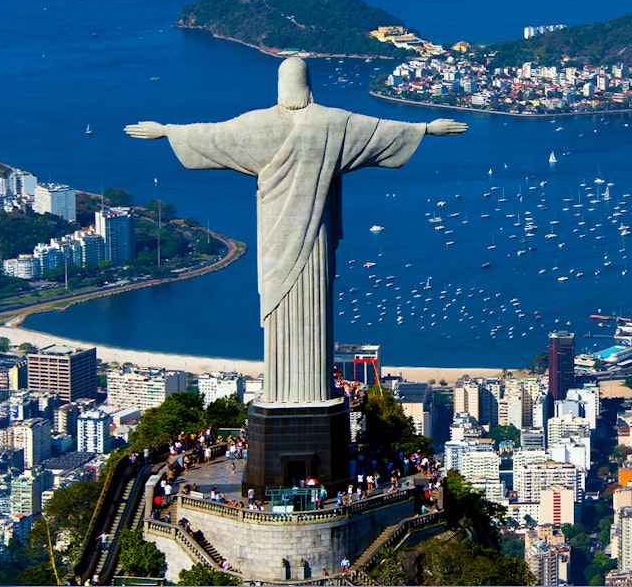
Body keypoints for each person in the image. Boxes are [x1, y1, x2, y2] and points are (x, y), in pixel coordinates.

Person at [126, 58, 465, 405]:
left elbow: (212, 136)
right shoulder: (332, 123)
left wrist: (168, 130)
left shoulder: (256, 125)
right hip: (314, 235)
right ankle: (308, 394)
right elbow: (380, 132)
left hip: (274, 235)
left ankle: (283, 395)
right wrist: (424, 128)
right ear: (308, 85)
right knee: (311, 304)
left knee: (281, 305)